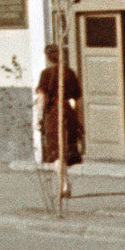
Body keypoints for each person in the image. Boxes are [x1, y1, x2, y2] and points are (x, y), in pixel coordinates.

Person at [36, 44, 83, 186]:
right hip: (68, 112)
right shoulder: (69, 72)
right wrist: (78, 119)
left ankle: (64, 183)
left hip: (53, 113)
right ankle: (65, 180)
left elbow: (42, 98)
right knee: (66, 148)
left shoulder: (46, 74)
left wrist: (38, 118)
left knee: (56, 151)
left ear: (47, 58)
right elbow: (78, 98)